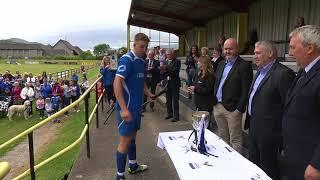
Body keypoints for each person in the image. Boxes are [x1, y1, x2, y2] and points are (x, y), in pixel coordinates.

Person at [244, 41, 295, 179]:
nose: (254, 56)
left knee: (268, 168)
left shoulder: (283, 74)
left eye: (258, 53)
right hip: (254, 127)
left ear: (270, 53)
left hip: (270, 133)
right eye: (254, 53)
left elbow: (290, 107)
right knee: (254, 164)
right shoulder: (259, 72)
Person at [113, 33, 155, 180]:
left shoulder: (141, 61)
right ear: (134, 45)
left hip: (136, 108)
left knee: (132, 138)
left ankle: (133, 166)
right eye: (141, 46)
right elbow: (117, 83)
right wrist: (124, 109)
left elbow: (141, 81)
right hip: (127, 108)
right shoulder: (127, 59)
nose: (144, 49)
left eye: (146, 46)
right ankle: (119, 176)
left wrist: (148, 93)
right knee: (125, 141)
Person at [283, 25, 320, 180]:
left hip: (310, 161)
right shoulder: (304, 71)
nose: (290, 53)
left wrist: (317, 164)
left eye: (293, 48)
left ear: (310, 48)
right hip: (295, 154)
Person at [213, 38, 253, 153]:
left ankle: (237, 166)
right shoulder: (220, 64)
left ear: (237, 49)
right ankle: (225, 160)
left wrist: (239, 109)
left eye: (230, 49)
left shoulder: (244, 66)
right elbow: (217, 83)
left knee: (235, 139)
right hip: (217, 106)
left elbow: (246, 90)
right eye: (225, 49)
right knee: (222, 136)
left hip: (233, 110)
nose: (227, 51)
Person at [187, 56, 215, 129]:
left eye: (199, 61)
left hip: (206, 104)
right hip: (199, 103)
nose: (197, 63)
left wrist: (195, 88)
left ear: (203, 63)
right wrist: (191, 88)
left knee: (205, 126)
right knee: (200, 125)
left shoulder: (210, 75)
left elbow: (208, 90)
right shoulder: (199, 73)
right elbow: (195, 84)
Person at [162, 49, 181, 122]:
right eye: (167, 54)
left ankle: (176, 116)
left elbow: (174, 71)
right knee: (168, 99)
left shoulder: (177, 61)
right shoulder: (165, 61)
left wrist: (165, 68)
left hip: (175, 83)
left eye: (169, 54)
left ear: (173, 54)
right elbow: (164, 73)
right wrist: (163, 70)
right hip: (167, 83)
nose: (168, 56)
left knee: (175, 100)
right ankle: (169, 113)